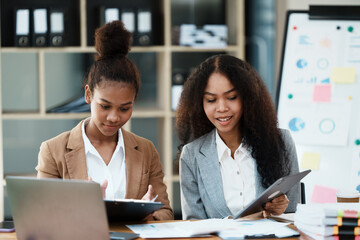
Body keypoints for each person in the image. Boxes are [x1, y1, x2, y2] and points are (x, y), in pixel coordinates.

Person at [36, 20, 173, 220]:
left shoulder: (146, 150)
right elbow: (41, 215)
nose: (114, 117)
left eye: (125, 108)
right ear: (88, 95)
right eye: (105, 106)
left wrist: (148, 216)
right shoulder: (53, 151)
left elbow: (166, 211)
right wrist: (86, 210)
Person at [175, 54, 299, 220]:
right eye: (211, 100)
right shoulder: (192, 155)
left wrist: (280, 210)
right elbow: (194, 223)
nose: (221, 108)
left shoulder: (281, 141)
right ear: (200, 103)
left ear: (247, 98)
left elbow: (293, 215)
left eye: (231, 97)